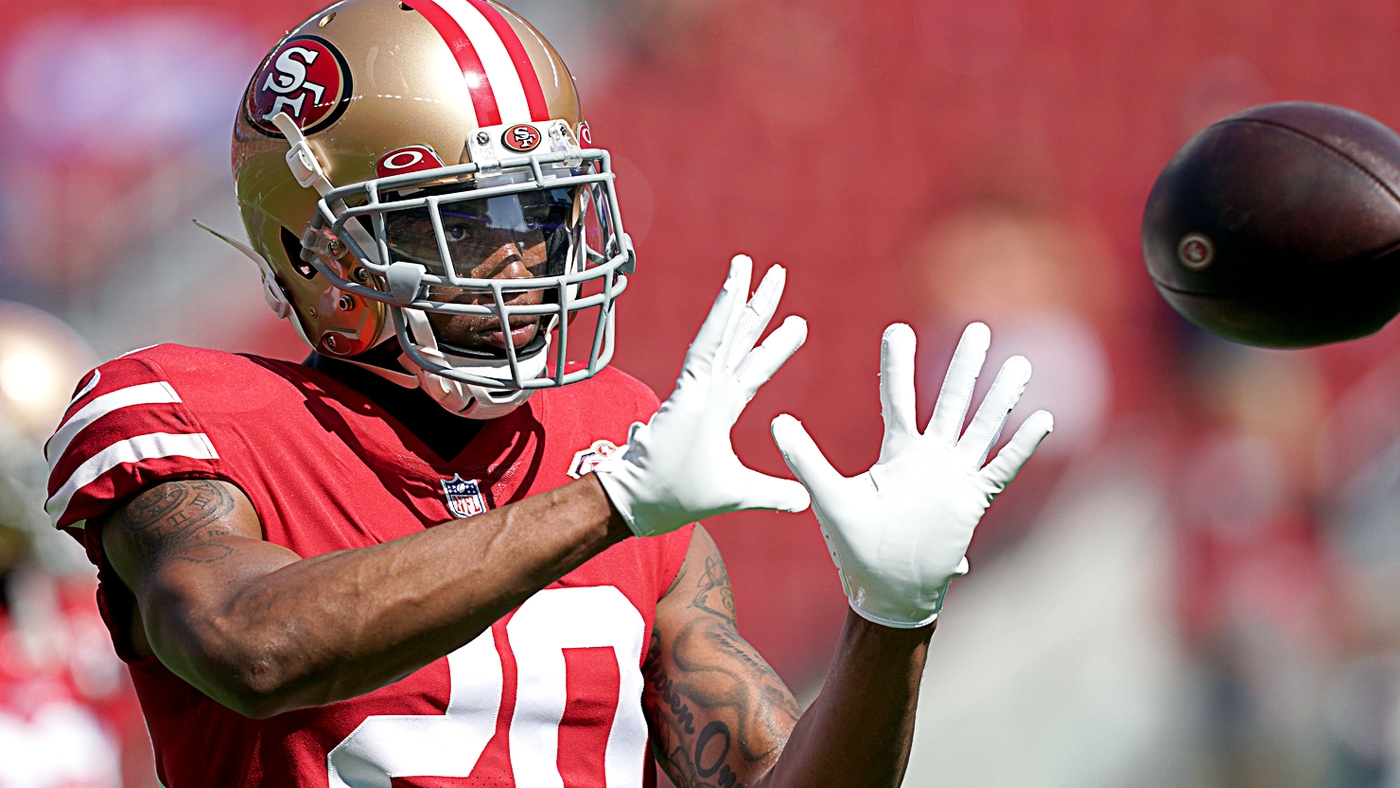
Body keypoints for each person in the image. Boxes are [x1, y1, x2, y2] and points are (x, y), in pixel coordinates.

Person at [44, 1, 1053, 785]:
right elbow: (250, 645)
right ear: (319, 250)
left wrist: (890, 619)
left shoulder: (609, 431)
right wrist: (605, 502)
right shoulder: (186, 412)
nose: (528, 258)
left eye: (544, 207)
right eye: (470, 220)